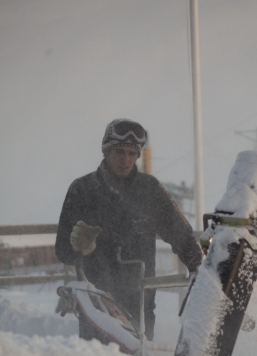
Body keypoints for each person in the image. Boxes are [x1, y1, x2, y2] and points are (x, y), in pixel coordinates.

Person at [55, 118, 202, 342]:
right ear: (105, 151)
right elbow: (61, 249)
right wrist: (80, 248)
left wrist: (200, 265)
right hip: (97, 305)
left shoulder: (150, 189)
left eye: (132, 153)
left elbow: (180, 234)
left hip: (141, 303)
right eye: (119, 152)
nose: (126, 160)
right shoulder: (82, 190)